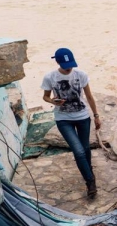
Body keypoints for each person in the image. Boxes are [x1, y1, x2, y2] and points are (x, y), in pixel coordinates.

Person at [41, 48, 102, 198]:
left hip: (82, 117)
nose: (69, 68)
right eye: (66, 65)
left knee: (86, 149)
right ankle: (90, 181)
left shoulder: (81, 75)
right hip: (63, 119)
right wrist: (54, 101)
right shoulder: (50, 77)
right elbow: (45, 97)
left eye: (71, 65)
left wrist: (96, 115)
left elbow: (89, 96)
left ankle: (88, 171)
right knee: (78, 151)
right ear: (57, 62)